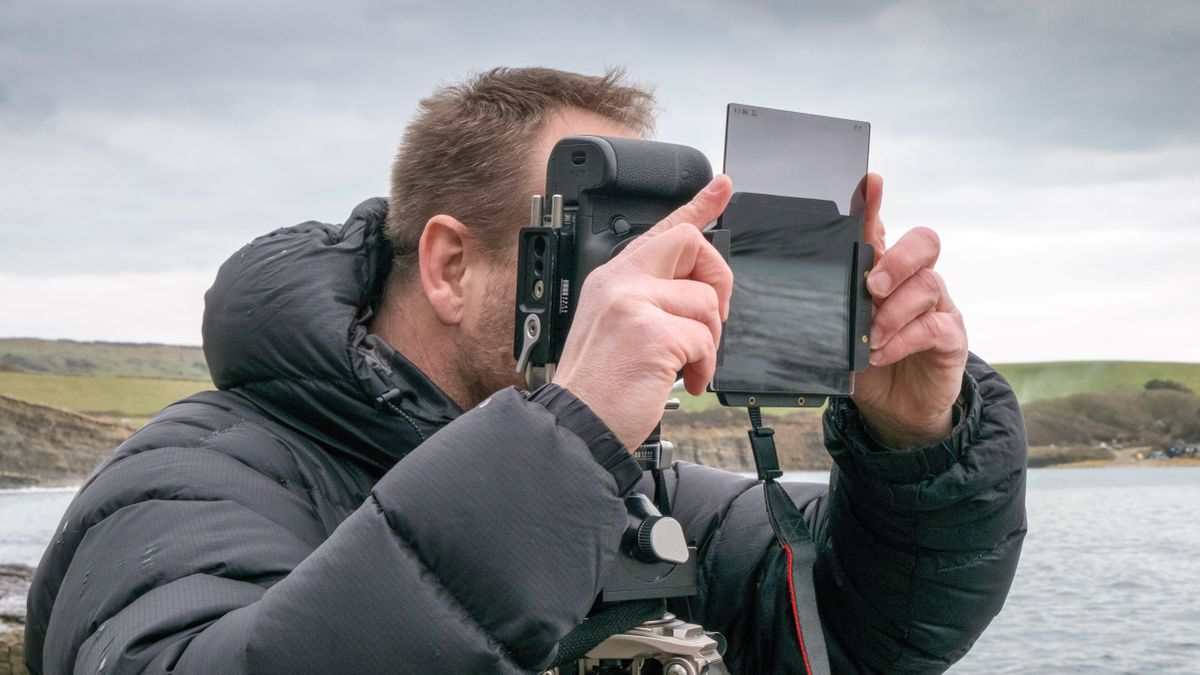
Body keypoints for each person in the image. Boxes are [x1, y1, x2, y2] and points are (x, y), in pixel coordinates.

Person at [25, 67, 1026, 674]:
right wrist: (566, 434)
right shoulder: (185, 481)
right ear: (450, 266)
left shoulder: (635, 487)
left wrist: (916, 449)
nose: (643, 281)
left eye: (663, 243)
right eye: (604, 243)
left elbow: (856, 632)